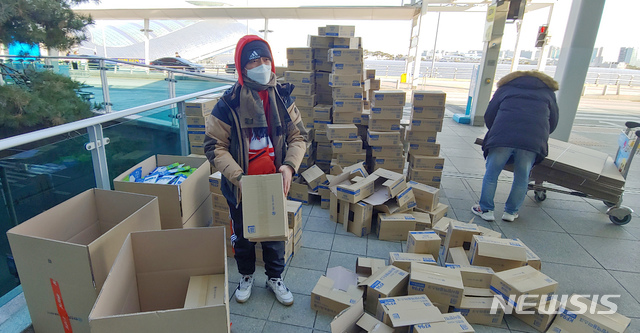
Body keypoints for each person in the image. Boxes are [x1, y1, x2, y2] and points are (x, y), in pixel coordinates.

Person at [203, 35, 307, 305]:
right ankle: (246, 276)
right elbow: (215, 146)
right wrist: (239, 178)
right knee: (243, 236)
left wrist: (289, 166)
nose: (262, 65)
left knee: (274, 236)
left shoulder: (282, 98)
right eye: (254, 61)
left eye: (266, 59)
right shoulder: (228, 104)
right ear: (242, 66)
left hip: (274, 182)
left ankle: (275, 277)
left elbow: (299, 137)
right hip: (241, 187)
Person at [472, 70, 559, 222]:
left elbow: (489, 114)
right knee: (522, 177)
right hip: (531, 141)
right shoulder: (547, 93)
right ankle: (510, 213)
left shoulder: (506, 88)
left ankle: (486, 210)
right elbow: (553, 120)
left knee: (491, 174)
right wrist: (540, 135)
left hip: (502, 137)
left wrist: (496, 130)